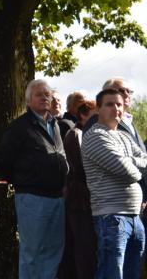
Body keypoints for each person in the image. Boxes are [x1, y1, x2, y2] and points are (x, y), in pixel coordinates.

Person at [0, 79, 68, 279]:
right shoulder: (20, 127)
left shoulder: (56, 125)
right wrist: (24, 180)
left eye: (47, 94)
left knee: (54, 251)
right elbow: (2, 162)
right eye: (39, 95)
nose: (45, 98)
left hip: (57, 197)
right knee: (32, 253)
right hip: (33, 199)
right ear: (28, 101)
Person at [82, 88, 147, 279]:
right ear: (98, 109)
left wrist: (129, 161)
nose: (116, 108)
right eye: (110, 104)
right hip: (111, 217)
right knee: (112, 273)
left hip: (135, 217)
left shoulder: (125, 136)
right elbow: (127, 171)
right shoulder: (95, 136)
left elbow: (144, 160)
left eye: (119, 104)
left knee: (131, 274)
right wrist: (133, 165)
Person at [58, 100, 98, 279]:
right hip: (79, 200)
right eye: (94, 113)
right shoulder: (76, 135)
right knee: (83, 248)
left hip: (88, 200)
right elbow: (82, 168)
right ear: (83, 115)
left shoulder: (90, 134)